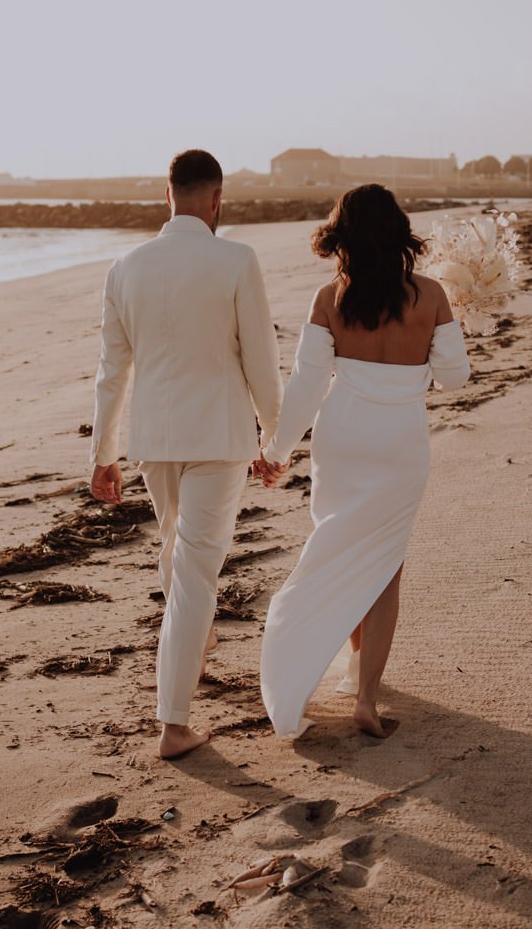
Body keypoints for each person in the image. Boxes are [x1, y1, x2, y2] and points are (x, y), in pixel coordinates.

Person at [257, 184, 472, 739]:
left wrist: (276, 451)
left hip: (343, 437)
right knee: (384, 564)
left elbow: (305, 386)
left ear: (344, 237)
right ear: (399, 231)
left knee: (345, 548)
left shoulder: (330, 299)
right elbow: (454, 379)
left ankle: (355, 675)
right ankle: (366, 697)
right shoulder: (431, 296)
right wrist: (448, 335)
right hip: (400, 442)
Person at [89, 149, 282, 759]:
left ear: (165, 196)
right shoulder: (236, 259)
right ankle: (173, 722)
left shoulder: (125, 267)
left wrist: (104, 452)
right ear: (217, 200)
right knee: (196, 565)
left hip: (155, 438)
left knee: (178, 549)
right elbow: (261, 359)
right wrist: (274, 440)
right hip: (219, 436)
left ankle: (193, 653)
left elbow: (112, 370)